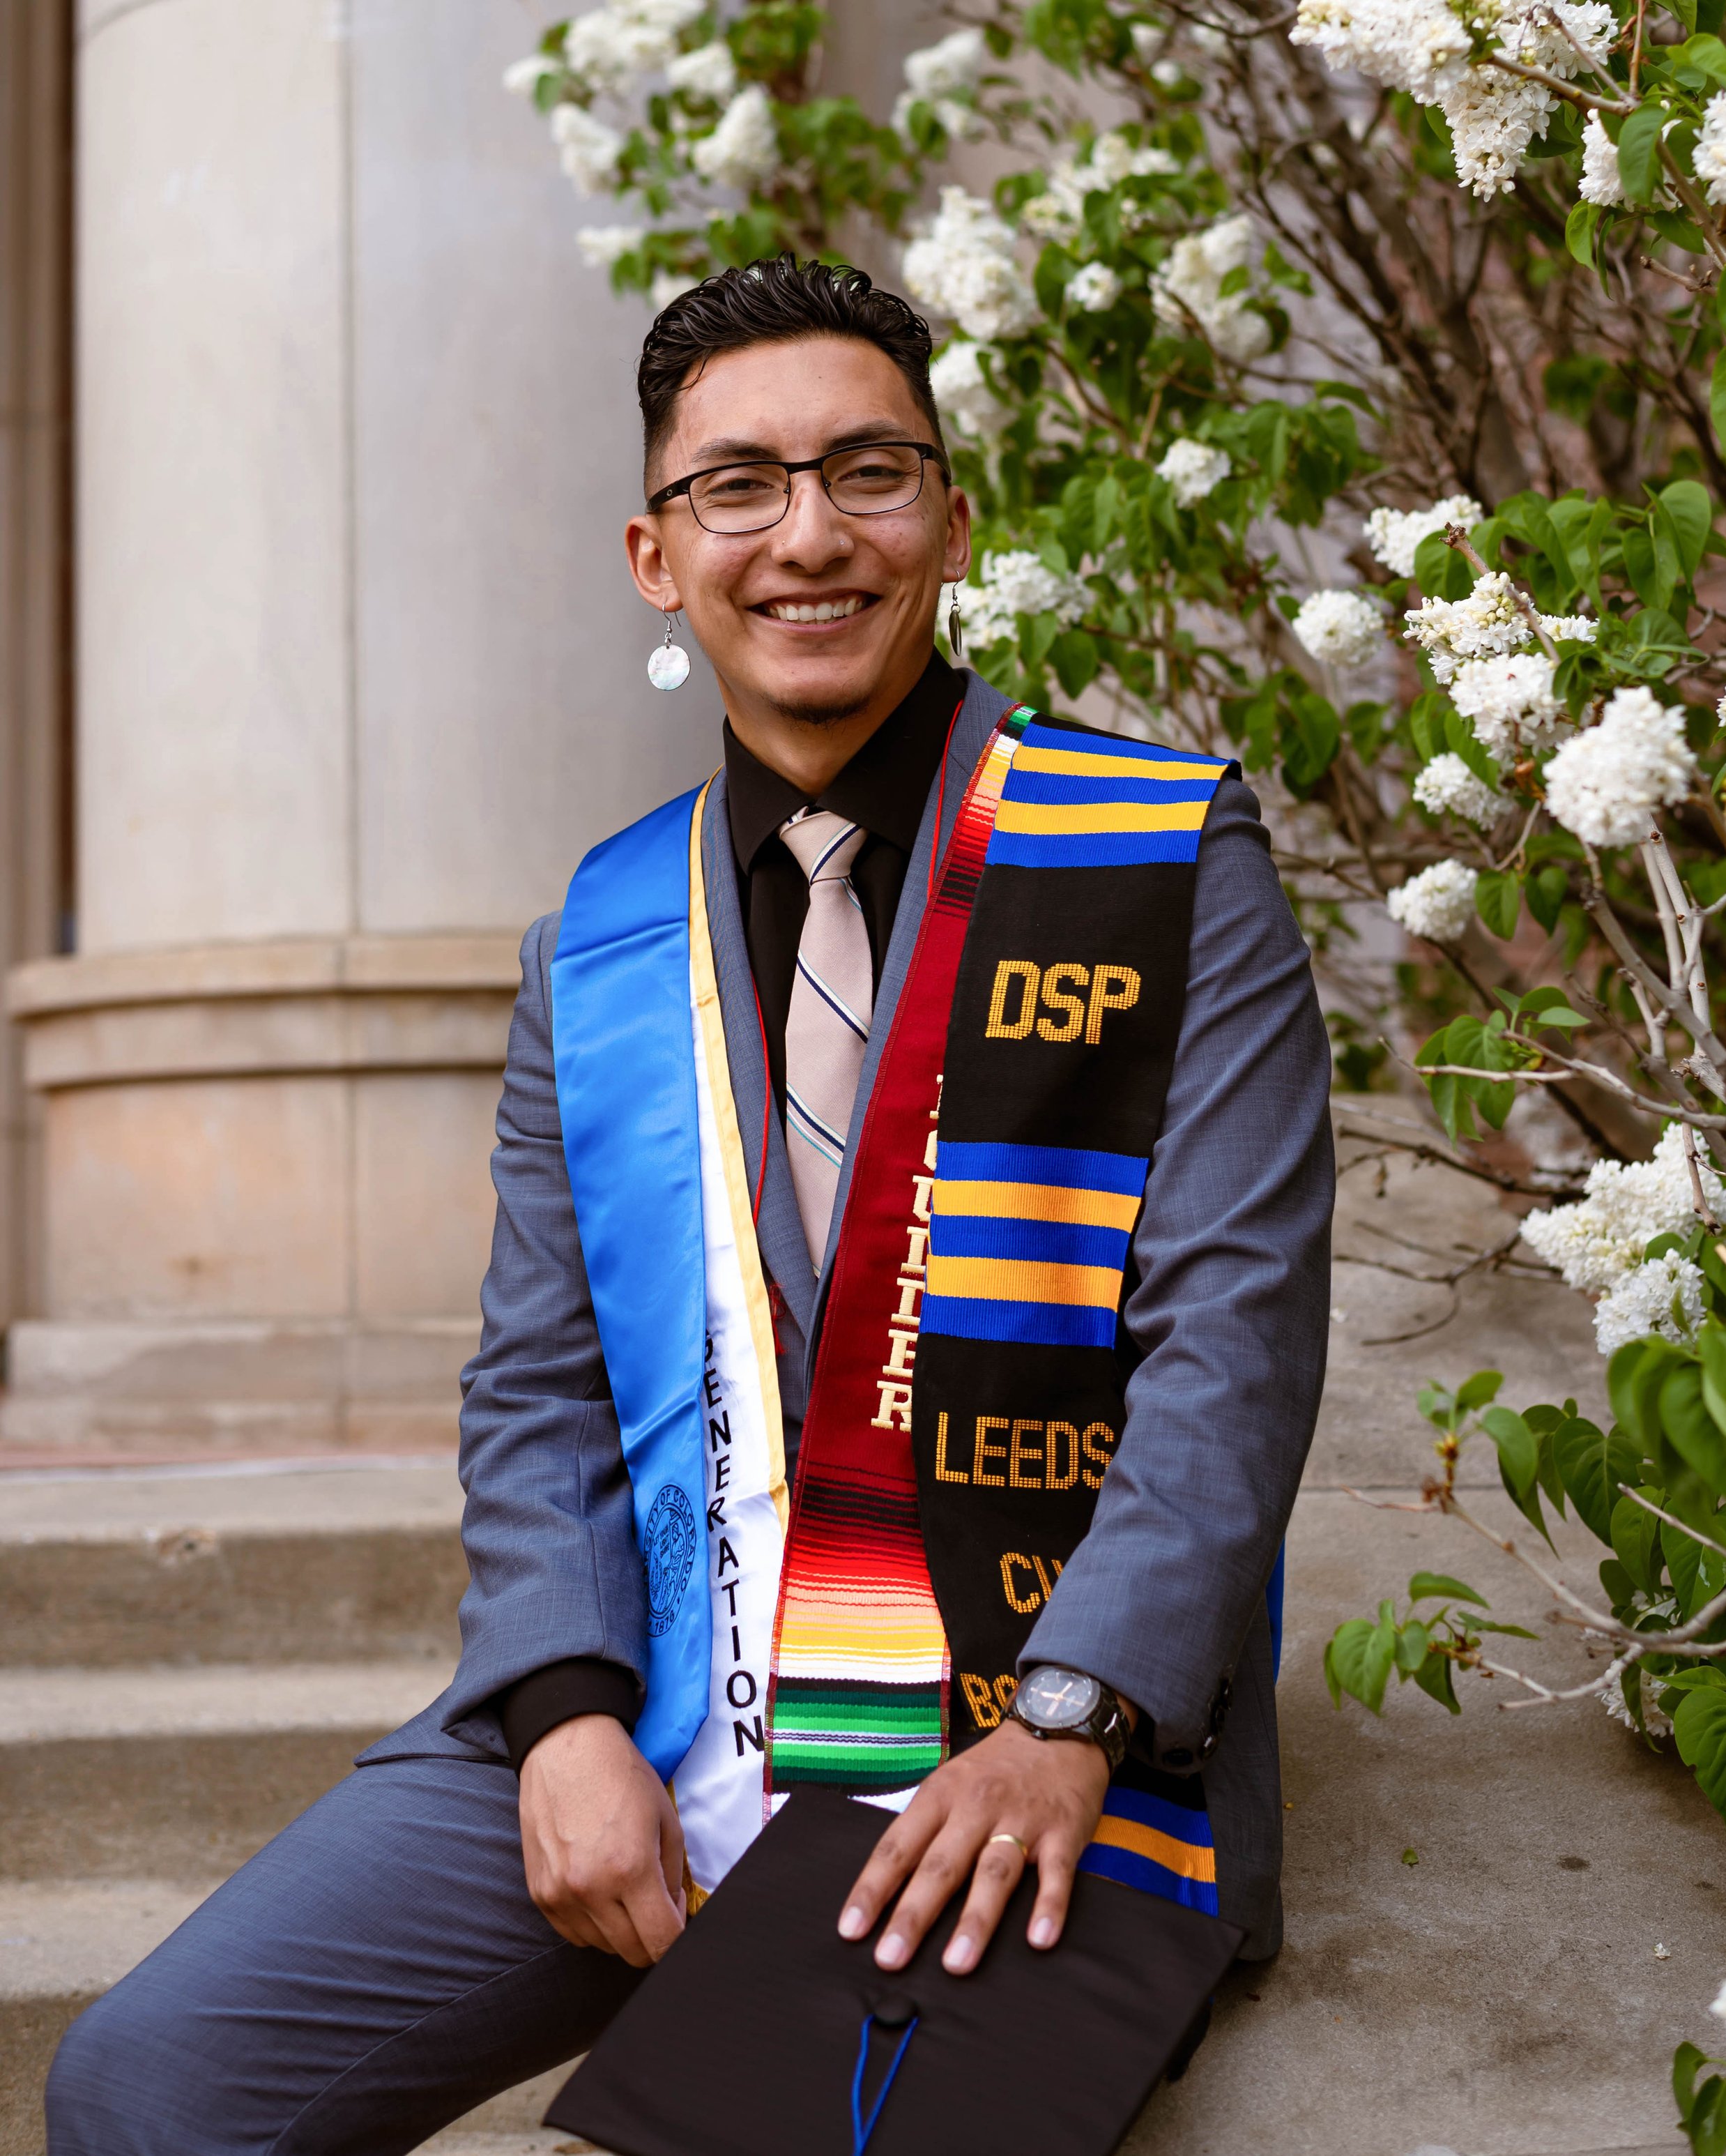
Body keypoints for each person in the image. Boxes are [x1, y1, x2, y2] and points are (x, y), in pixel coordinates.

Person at [45, 256, 1333, 2156]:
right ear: (658, 554)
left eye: (867, 471)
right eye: (739, 484)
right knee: (148, 2086)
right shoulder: (606, 929)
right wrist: (562, 1707)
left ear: (952, 520)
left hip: (1003, 1721)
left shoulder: (1152, 855)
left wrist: (1073, 1711)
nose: (806, 534)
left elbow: (1231, 1333)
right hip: (668, 1698)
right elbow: (540, 1381)